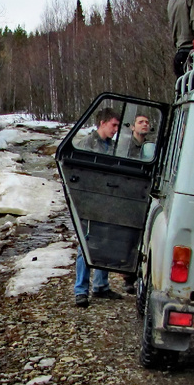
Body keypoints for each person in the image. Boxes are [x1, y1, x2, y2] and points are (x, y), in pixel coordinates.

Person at [73, 108, 123, 307]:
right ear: (102, 123)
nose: (116, 129)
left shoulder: (114, 147)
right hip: (90, 201)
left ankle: (101, 285)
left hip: (108, 200)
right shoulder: (86, 144)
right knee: (86, 244)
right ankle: (81, 290)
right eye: (113, 125)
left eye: (117, 126)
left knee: (105, 241)